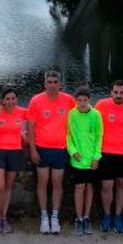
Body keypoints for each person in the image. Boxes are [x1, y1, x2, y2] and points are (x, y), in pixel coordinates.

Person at [27, 70, 75, 234]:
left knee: (57, 184)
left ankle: (55, 217)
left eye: (56, 82)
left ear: (60, 84)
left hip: (61, 149)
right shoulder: (36, 100)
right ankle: (44, 217)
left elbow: (79, 118)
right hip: (42, 148)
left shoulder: (69, 100)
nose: (53, 85)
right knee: (42, 183)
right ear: (45, 84)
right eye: (50, 82)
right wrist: (33, 150)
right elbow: (30, 127)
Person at [94, 80, 123, 234]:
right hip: (106, 152)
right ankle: (107, 215)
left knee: (121, 185)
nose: (118, 96)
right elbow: (91, 124)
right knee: (106, 186)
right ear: (111, 92)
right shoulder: (101, 105)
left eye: (122, 93)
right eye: (116, 92)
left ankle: (118, 216)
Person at [0, 88, 26, 234]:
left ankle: (3, 217)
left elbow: (36, 119)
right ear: (3, 100)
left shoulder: (21, 111)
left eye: (13, 98)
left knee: (8, 186)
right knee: (0, 185)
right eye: (8, 99)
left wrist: (24, 131)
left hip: (14, 151)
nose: (11, 102)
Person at [66, 86, 103, 236]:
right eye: (79, 100)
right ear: (76, 101)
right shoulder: (71, 114)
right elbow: (68, 135)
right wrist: (72, 151)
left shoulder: (96, 115)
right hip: (77, 159)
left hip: (91, 159)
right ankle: (78, 218)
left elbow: (99, 136)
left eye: (85, 100)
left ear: (89, 100)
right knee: (79, 188)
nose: (82, 103)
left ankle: (86, 217)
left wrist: (96, 157)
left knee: (89, 188)